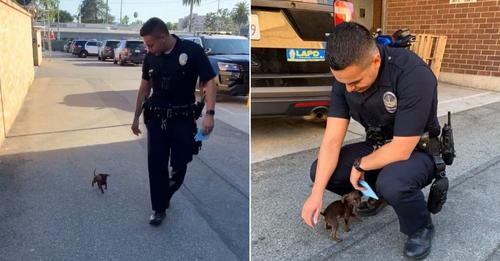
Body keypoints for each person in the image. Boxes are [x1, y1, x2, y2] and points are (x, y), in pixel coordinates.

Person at [301, 22, 441, 259]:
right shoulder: (346, 80)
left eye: (355, 81)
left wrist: (360, 165)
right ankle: (380, 196)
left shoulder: (412, 74)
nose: (349, 88)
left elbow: (401, 149)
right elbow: (332, 141)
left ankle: (420, 227)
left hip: (418, 149)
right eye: (343, 82)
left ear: (375, 60)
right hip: (378, 144)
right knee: (322, 172)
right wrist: (316, 194)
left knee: (393, 181)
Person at [131, 17, 217, 226]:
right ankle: (158, 208)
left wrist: (210, 113)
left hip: (182, 121)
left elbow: (210, 82)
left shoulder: (192, 51)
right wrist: (135, 117)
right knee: (156, 165)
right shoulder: (151, 57)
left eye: (150, 44)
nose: (148, 49)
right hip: (157, 120)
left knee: (180, 164)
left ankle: (165, 193)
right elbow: (144, 88)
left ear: (163, 37)